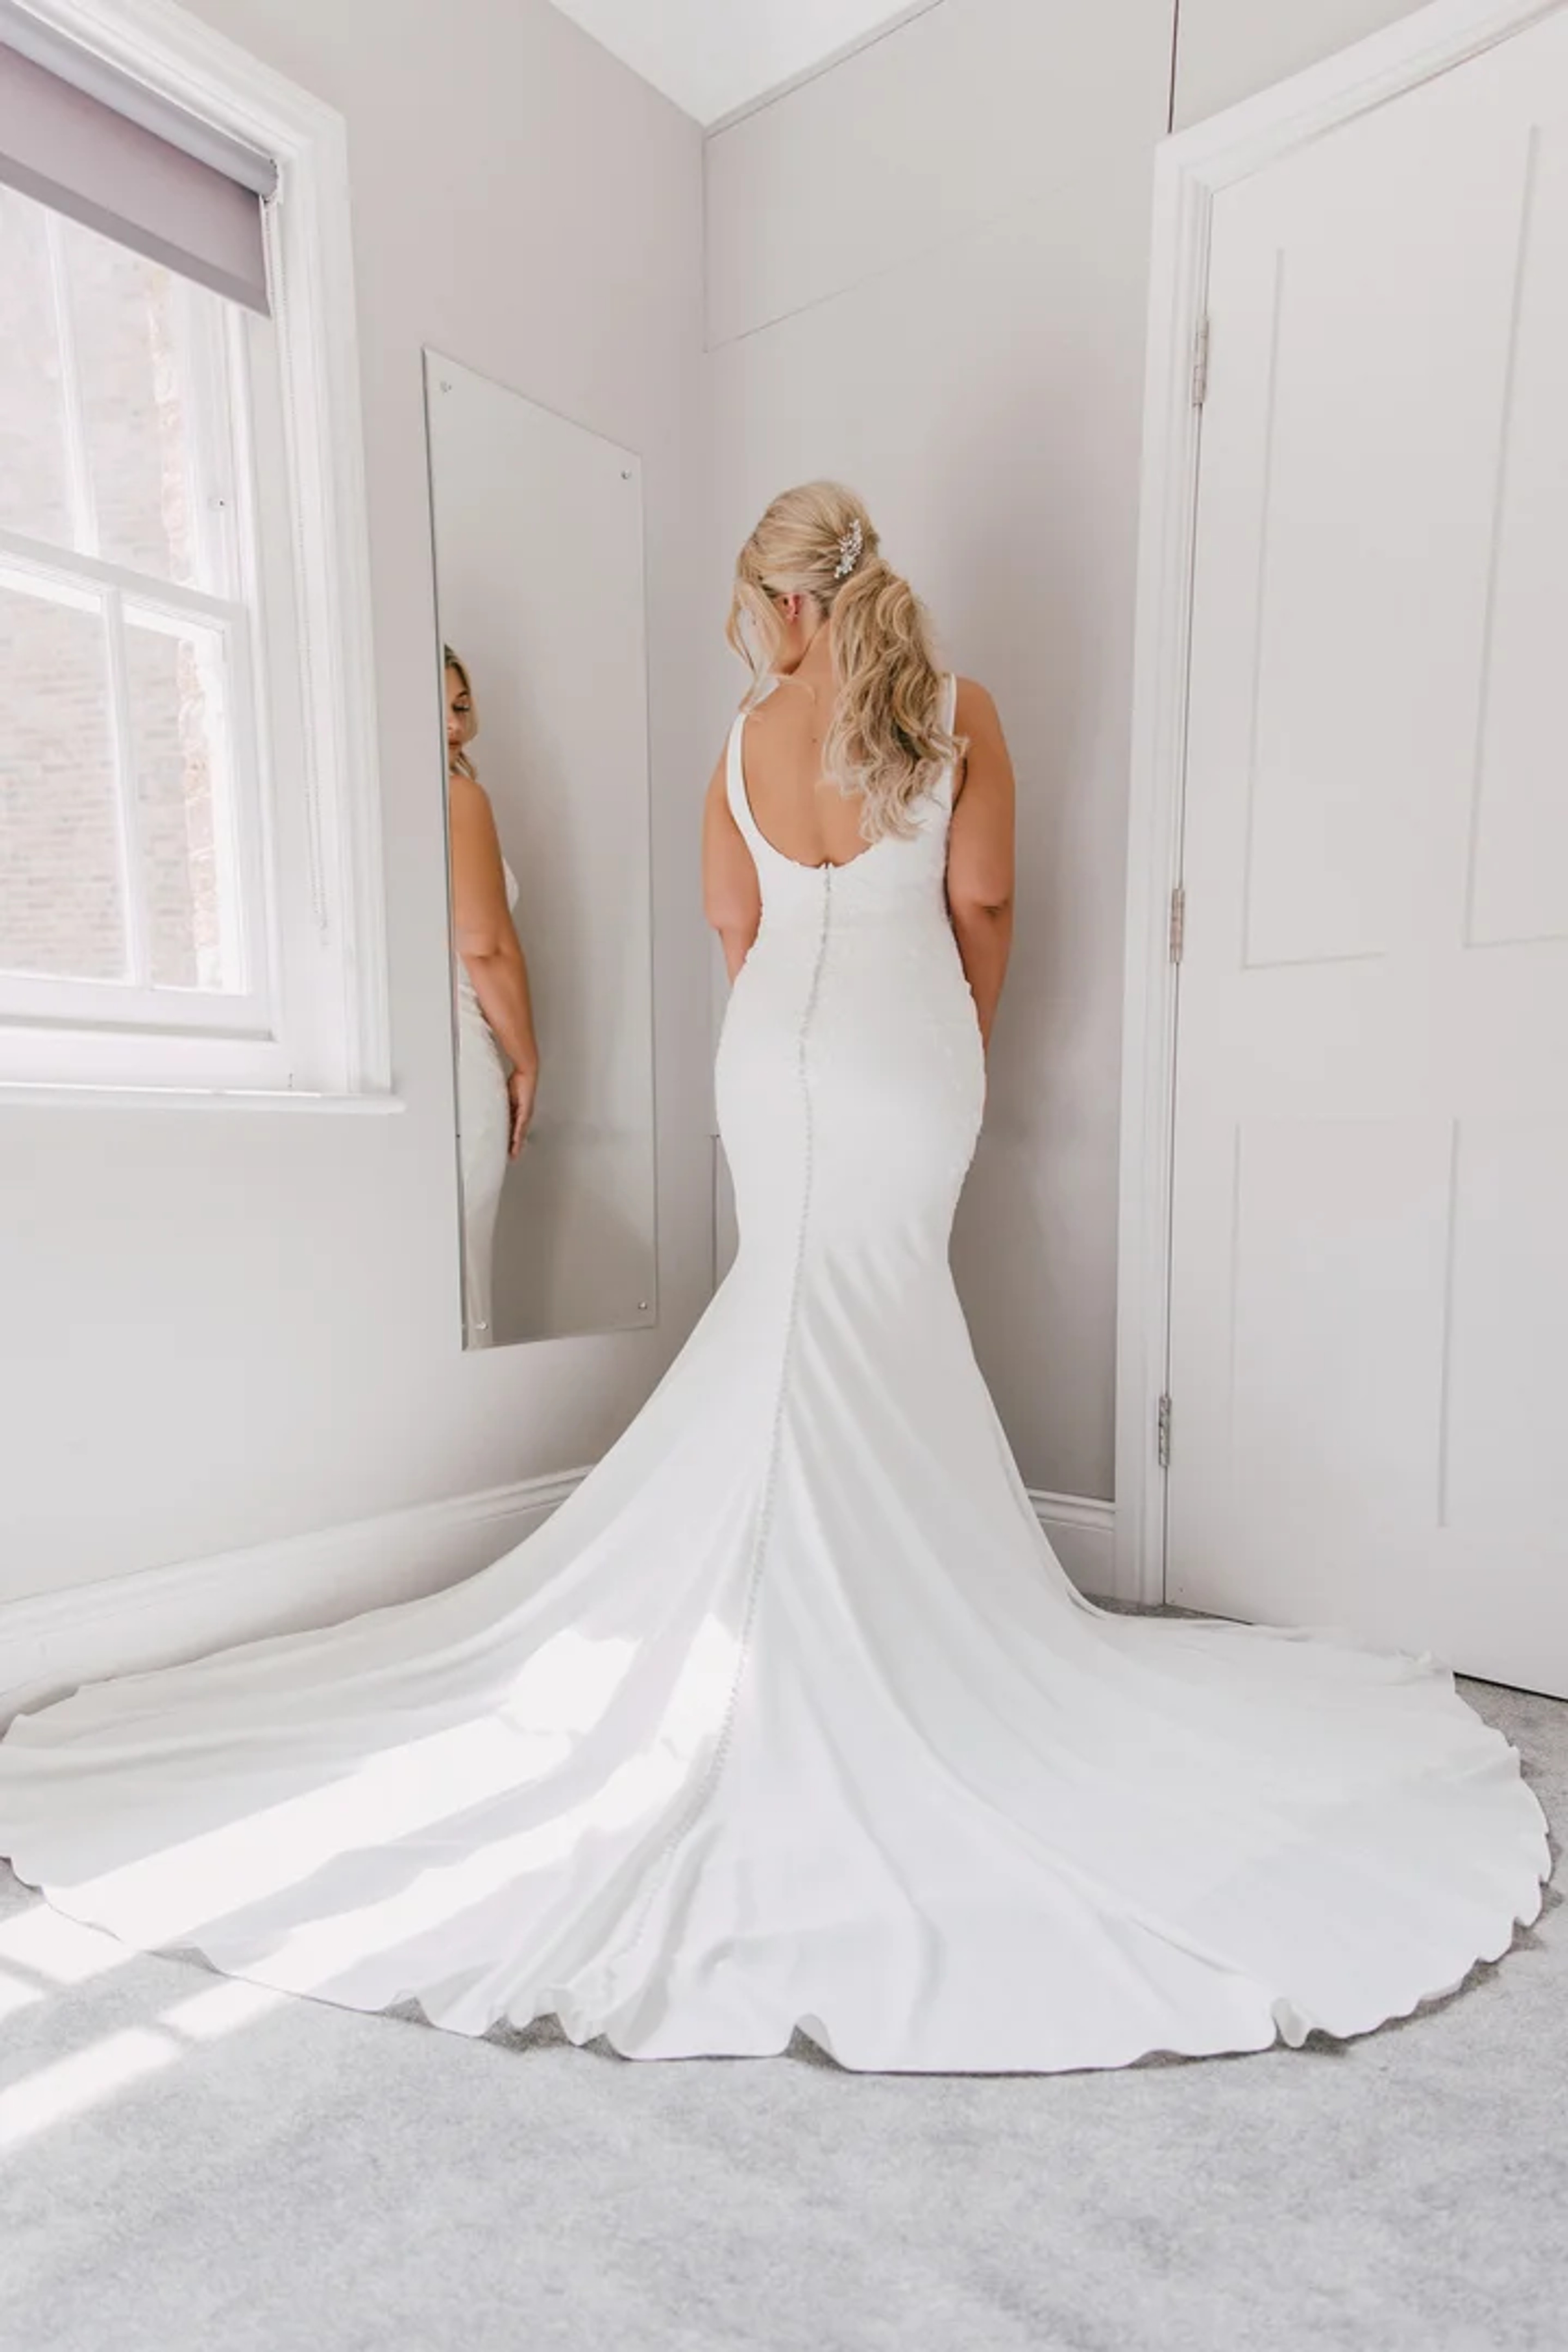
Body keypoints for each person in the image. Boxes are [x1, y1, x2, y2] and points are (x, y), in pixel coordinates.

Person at [0, 484, 1548, 2073]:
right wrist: (959, 1038)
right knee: (866, 1320)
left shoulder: (740, 745)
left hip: (774, 1068)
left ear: (782, 603)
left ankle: (768, 1624)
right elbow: (986, 904)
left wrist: (795, 1051)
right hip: (907, 1052)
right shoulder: (960, 712)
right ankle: (844, 1629)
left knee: (794, 1313)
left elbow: (736, 936)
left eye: (757, 605)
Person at [444, 649, 539, 1346]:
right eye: (440, 707)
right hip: (461, 1060)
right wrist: (529, 1061)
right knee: (462, 1278)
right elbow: (485, 942)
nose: (454, 726)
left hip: (413, 1074)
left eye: (462, 706)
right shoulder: (457, 797)